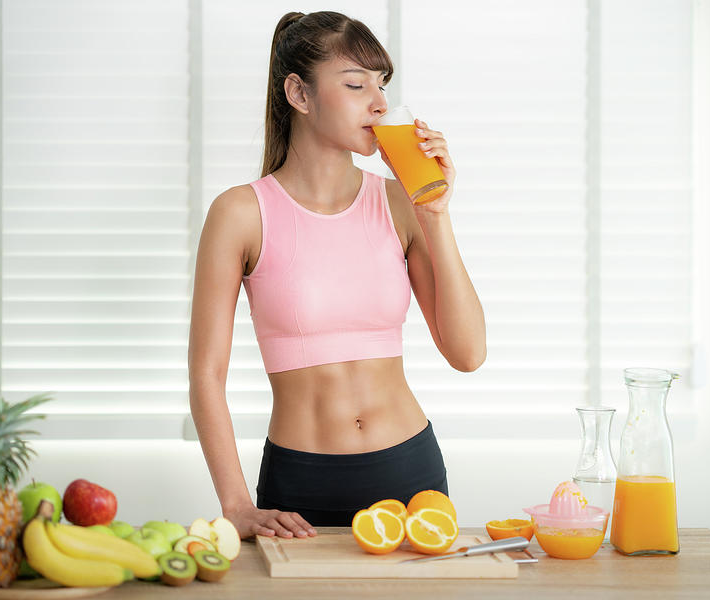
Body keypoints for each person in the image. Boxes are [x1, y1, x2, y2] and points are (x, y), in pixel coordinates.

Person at [187, 10, 486, 540]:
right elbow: (207, 374)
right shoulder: (240, 213)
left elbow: (468, 354)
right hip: (301, 486)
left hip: (412, 472)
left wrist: (435, 213)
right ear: (299, 95)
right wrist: (234, 504)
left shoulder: (400, 204)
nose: (378, 102)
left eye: (381, 84)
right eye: (355, 84)